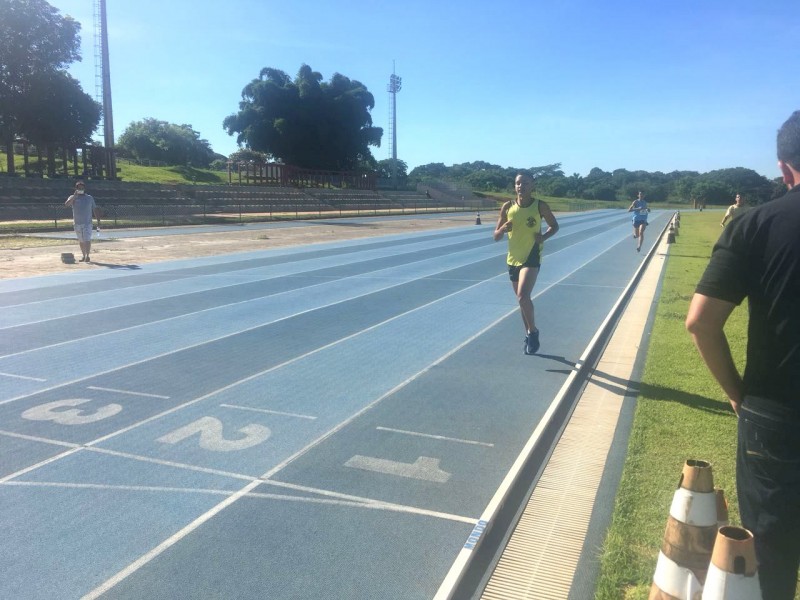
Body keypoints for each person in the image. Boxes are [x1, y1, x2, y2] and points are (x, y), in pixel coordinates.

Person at [685, 110, 800, 600]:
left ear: (784, 168)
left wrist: (738, 395)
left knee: (770, 559)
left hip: (776, 416)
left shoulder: (758, 224)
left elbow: (700, 321)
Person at [493, 173, 559, 355]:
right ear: (514, 186)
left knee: (523, 296)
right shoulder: (507, 207)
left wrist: (543, 237)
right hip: (513, 259)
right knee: (522, 302)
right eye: (518, 183)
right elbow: (496, 236)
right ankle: (529, 332)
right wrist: (502, 229)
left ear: (532, 186)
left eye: (525, 183)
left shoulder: (540, 206)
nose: (521, 186)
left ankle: (534, 331)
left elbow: (555, 225)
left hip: (531, 257)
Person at [64, 181, 101, 262]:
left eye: (82, 188)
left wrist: (98, 220)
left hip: (87, 223)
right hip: (77, 223)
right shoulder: (72, 197)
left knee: (87, 239)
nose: (80, 189)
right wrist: (74, 196)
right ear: (76, 189)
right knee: (81, 240)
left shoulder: (89, 198)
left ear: (84, 188)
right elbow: (66, 204)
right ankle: (83, 255)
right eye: (79, 188)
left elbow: (94, 208)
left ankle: (87, 255)